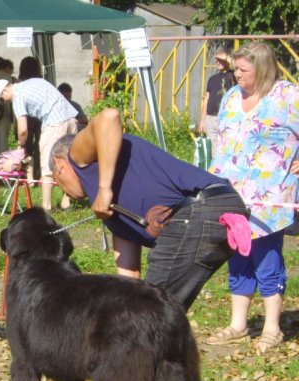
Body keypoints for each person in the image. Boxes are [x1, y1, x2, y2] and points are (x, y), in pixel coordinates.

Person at [49, 107, 248, 311]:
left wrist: (104, 189)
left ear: (60, 165)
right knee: (157, 313)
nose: (67, 194)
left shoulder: (76, 156)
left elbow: (109, 117)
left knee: (151, 312)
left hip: (202, 207)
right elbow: (129, 275)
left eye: (58, 182)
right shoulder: (110, 212)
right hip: (220, 208)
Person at [206, 42, 299, 353]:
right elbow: (221, 138)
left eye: (244, 70)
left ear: (263, 69)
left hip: (270, 196)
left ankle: (272, 328)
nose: (237, 74)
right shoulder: (232, 95)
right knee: (238, 256)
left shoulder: (287, 95)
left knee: (266, 258)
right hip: (232, 193)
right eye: (236, 69)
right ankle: (238, 324)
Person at [0, 75, 78, 211]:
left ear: (4, 91)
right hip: (71, 118)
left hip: (54, 123)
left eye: (2, 99)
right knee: (68, 163)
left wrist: (20, 146)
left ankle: (46, 206)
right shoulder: (32, 81)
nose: (4, 102)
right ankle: (66, 202)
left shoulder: (17, 97)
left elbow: (23, 130)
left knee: (47, 166)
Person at [198, 48, 234, 157]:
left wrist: (227, 58)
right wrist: (202, 120)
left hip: (225, 117)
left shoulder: (233, 76)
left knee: (226, 146)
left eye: (220, 59)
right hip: (210, 118)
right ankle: (214, 171)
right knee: (213, 150)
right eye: (216, 60)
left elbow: (238, 65)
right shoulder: (212, 79)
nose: (217, 62)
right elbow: (206, 99)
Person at [17, 57, 42, 183]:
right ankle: (39, 171)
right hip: (40, 116)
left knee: (26, 147)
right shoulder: (40, 81)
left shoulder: (20, 82)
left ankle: (28, 175)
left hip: (25, 116)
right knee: (40, 146)